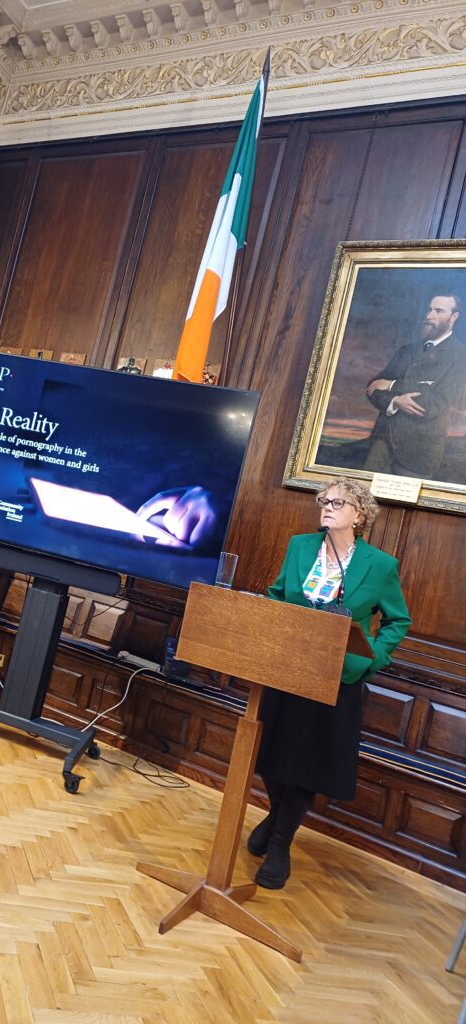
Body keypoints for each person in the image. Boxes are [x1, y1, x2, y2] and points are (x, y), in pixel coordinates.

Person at [249, 477, 411, 889]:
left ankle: (281, 842)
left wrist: (371, 658)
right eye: (324, 500)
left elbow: (397, 620)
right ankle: (276, 814)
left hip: (338, 675)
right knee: (271, 752)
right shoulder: (300, 546)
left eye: (338, 502)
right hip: (287, 666)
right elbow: (279, 593)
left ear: (359, 515)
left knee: (308, 763)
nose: (327, 507)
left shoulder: (381, 565)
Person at [364, 293, 466, 479]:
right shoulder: (406, 350)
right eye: (429, 309)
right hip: (381, 446)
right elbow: (373, 387)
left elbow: (435, 403)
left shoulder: (461, 356)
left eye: (438, 311)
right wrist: (395, 401)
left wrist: (393, 384)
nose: (429, 316)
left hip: (419, 454)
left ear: (453, 317)